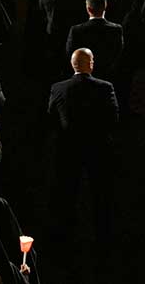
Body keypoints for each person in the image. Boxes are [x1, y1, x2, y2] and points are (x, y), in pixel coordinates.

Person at [47, 49, 118, 242]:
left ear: (73, 65)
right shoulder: (105, 88)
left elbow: (51, 118)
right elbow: (113, 118)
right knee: (99, 193)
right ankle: (102, 234)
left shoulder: (58, 88)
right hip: (98, 147)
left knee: (68, 190)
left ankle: (66, 234)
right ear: (91, 64)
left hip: (68, 147)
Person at [65, 0, 124, 84]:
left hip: (82, 82)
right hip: (108, 80)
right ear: (105, 6)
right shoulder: (116, 30)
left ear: (88, 9)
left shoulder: (76, 31)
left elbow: (70, 56)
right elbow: (118, 56)